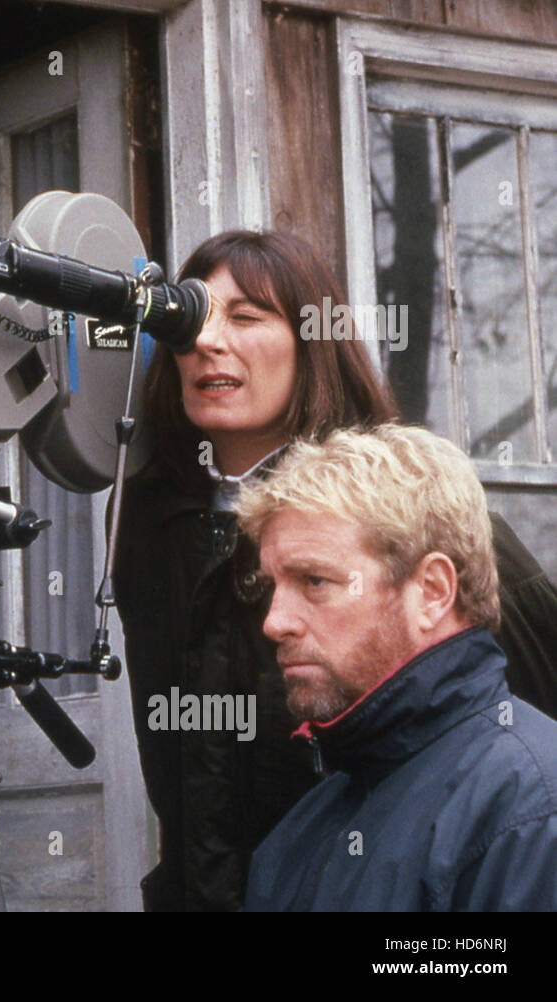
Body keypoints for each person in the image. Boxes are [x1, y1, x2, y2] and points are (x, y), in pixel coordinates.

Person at [111, 229, 557, 911]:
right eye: (194, 316)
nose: (206, 341)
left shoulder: (410, 515)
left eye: (245, 317)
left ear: (312, 340)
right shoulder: (147, 526)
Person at [234, 425, 557, 910]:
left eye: (315, 581)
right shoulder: (295, 836)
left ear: (431, 591)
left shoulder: (532, 812)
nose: (274, 622)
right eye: (271, 588)